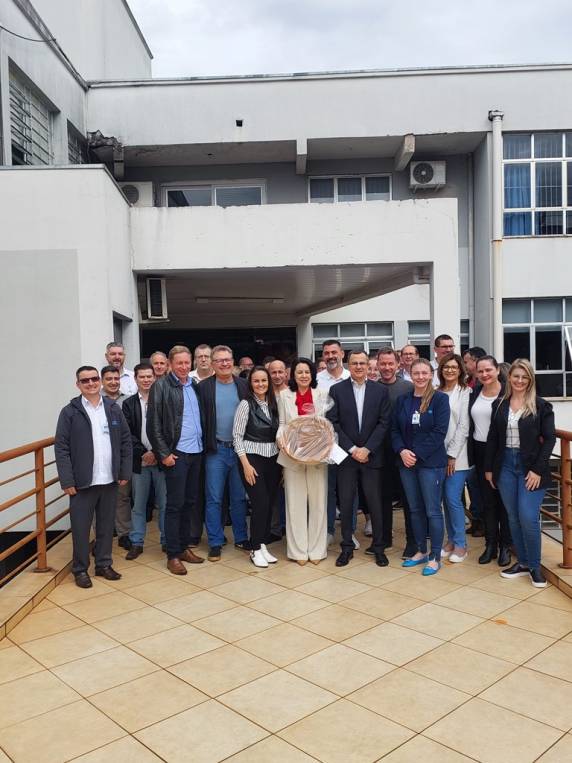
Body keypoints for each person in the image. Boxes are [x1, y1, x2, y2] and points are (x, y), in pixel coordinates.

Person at [55, 366, 132, 588]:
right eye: (85, 380)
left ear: (99, 381)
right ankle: (80, 569)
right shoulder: (69, 412)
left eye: (93, 379)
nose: (90, 383)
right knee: (80, 529)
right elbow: (61, 448)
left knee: (106, 527)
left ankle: (103, 564)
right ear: (78, 385)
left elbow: (125, 441)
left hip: (109, 479)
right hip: (82, 483)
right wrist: (67, 480)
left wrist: (124, 471)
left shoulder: (113, 408)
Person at [485, 359, 555, 588]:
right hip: (505, 465)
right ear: (509, 378)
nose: (520, 380)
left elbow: (550, 440)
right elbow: (493, 438)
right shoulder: (499, 405)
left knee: (527, 516)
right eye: (516, 376)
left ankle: (535, 566)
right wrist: (489, 469)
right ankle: (523, 562)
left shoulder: (541, 406)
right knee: (513, 517)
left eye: (525, 377)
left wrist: (537, 469)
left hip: (531, 468)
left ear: (531, 379)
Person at [327, 350, 391, 568]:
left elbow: (384, 422)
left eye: (362, 363)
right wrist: (353, 449)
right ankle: (346, 547)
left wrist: (367, 449)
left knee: (375, 503)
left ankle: (379, 547)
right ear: (348, 365)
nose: (359, 367)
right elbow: (333, 422)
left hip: (372, 457)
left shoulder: (380, 391)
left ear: (368, 365)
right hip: (347, 457)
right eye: (354, 363)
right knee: (346, 504)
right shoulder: (337, 390)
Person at [147, 345, 205, 575]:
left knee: (189, 503)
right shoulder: (161, 386)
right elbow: (153, 424)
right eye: (179, 363)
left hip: (196, 452)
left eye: (186, 362)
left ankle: (183, 548)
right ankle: (172, 554)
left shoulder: (195, 385)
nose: (183, 367)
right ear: (170, 364)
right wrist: (164, 453)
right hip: (176, 454)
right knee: (174, 505)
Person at [392, 358, 450, 575]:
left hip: (430, 464)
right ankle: (420, 551)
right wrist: (402, 451)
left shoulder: (440, 399)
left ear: (431, 374)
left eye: (424, 373)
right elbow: (394, 430)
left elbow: (439, 432)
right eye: (416, 373)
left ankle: (435, 557)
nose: (420, 377)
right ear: (410, 374)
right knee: (414, 509)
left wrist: (416, 454)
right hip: (406, 462)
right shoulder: (403, 400)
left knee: (433, 511)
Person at [197, 344, 249, 561]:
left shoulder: (244, 385)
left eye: (227, 359)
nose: (224, 363)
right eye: (219, 360)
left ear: (233, 362)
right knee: (214, 499)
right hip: (215, 450)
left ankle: (241, 537)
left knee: (239, 498)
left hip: (240, 451)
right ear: (212, 364)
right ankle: (215, 542)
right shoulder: (203, 387)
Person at [277, 357, 330, 564]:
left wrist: (323, 443)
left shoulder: (322, 393)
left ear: (312, 374)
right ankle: (298, 551)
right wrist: (282, 442)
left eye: (307, 372)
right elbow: (282, 423)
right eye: (299, 372)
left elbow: (326, 424)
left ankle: (317, 551)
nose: (303, 375)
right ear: (293, 375)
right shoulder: (284, 395)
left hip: (317, 456)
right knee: (295, 503)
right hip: (292, 455)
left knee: (318, 503)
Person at [233, 367, 281, 568]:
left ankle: (262, 545)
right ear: (250, 384)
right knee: (260, 503)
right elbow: (237, 437)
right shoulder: (245, 404)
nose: (260, 384)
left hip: (273, 460)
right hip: (252, 460)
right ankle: (254, 548)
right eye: (256, 381)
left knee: (268, 504)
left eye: (264, 380)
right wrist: (246, 465)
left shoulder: (274, 403)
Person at [469, 355, 512, 566]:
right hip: (479, 451)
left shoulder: (508, 392)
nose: (484, 374)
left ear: (497, 370)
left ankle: (506, 546)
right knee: (487, 501)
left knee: (504, 501)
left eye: (488, 370)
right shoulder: (475, 392)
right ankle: (490, 545)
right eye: (480, 371)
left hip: (502, 451)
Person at [122, 363, 166, 559]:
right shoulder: (128, 404)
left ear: (154, 378)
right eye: (142, 377)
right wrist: (143, 453)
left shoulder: (164, 400)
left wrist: (156, 452)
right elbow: (126, 433)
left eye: (149, 376)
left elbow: (170, 430)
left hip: (162, 461)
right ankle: (137, 542)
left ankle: (166, 541)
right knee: (138, 505)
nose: (146, 380)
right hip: (140, 462)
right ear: (135, 379)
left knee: (164, 504)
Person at [377, 347, 416, 558]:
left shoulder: (408, 387)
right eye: (383, 363)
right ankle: (384, 539)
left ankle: (412, 541)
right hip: (380, 452)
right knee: (382, 498)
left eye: (390, 363)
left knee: (408, 498)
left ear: (398, 364)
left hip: (404, 452)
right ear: (377, 364)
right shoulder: (372, 388)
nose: (386, 367)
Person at [316, 340, 351, 545]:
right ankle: (328, 530)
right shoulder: (317, 379)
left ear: (342, 354)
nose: (330, 356)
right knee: (327, 489)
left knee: (349, 490)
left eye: (334, 352)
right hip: (325, 444)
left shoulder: (351, 376)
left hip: (349, 442)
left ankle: (349, 532)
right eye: (326, 353)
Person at [438, 353, 471, 563]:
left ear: (460, 370)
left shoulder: (465, 392)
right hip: (437, 456)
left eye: (454, 367)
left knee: (452, 499)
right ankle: (450, 541)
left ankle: (461, 545)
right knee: (445, 501)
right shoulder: (436, 391)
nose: (450, 370)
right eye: (446, 367)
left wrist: (451, 455)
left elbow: (463, 427)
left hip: (458, 457)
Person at [101, 365, 130, 548]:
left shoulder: (127, 400)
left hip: (120, 456)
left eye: (116, 379)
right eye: (109, 379)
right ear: (102, 381)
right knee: (100, 499)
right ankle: (102, 536)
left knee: (122, 497)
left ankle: (124, 533)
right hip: (100, 457)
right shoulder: (95, 400)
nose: (113, 382)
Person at [267, 359, 288, 541]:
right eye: (273, 372)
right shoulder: (265, 395)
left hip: (290, 450)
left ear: (286, 373)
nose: (277, 375)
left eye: (280, 371)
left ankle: (289, 526)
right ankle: (274, 528)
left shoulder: (293, 394)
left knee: (290, 490)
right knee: (272, 490)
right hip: (269, 450)